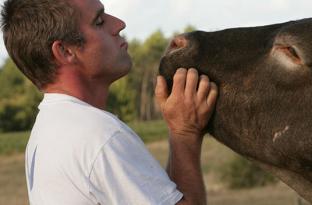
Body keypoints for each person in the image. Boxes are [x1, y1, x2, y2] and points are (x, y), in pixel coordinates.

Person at [1, 0, 218, 204]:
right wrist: (184, 133)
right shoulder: (97, 135)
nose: (119, 24)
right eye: (99, 21)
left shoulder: (48, 129)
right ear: (66, 51)